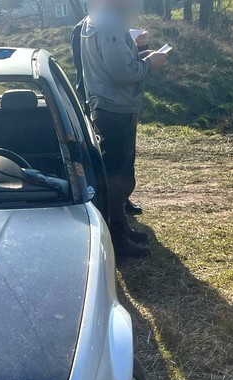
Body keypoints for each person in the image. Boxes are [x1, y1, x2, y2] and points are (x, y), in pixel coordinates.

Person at [77, 0, 167, 258]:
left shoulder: (93, 20)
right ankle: (117, 238)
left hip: (106, 106)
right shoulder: (111, 25)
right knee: (118, 174)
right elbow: (121, 73)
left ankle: (120, 229)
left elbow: (113, 64)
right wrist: (151, 64)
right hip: (116, 109)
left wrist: (142, 56)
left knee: (116, 171)